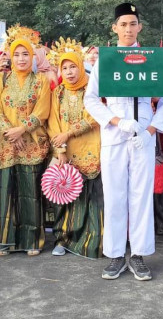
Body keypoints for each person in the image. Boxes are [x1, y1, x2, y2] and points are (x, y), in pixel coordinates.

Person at [84, 2, 163, 281]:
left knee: (141, 196)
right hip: (114, 135)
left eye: (133, 24)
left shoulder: (153, 59)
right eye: (123, 24)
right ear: (114, 28)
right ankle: (114, 255)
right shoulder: (106, 61)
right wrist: (115, 121)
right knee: (114, 195)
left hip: (143, 137)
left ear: (140, 27)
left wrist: (150, 131)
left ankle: (138, 255)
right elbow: (90, 99)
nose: (128, 29)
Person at [0, 38, 51, 257]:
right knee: (6, 190)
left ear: (33, 57)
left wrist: (22, 129)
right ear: (10, 56)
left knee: (29, 192)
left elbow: (42, 111)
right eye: (17, 54)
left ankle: (31, 240)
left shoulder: (41, 81)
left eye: (26, 54)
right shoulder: (1, 79)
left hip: (31, 144)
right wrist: (12, 133)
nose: (21, 59)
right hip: (6, 143)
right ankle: (6, 241)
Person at [47, 51, 103, 258]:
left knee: (92, 199)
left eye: (73, 67)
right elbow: (52, 123)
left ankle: (93, 241)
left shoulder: (93, 89)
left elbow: (94, 118)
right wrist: (60, 149)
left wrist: (68, 133)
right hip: (66, 153)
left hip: (92, 149)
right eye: (65, 68)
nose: (69, 72)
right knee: (65, 198)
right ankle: (63, 240)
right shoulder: (59, 92)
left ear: (81, 67)